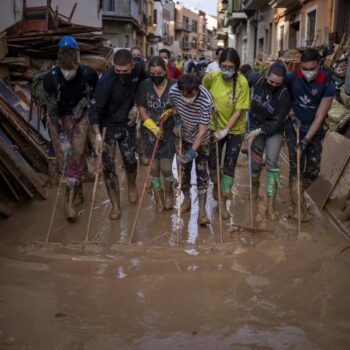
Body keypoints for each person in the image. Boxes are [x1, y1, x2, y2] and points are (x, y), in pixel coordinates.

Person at [43, 36, 98, 221]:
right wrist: (61, 136)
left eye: (72, 69)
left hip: (81, 116)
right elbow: (51, 110)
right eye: (64, 70)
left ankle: (68, 205)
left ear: (78, 61)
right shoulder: (50, 78)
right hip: (59, 118)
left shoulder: (89, 73)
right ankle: (78, 192)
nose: (68, 74)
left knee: (75, 156)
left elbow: (95, 98)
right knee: (65, 160)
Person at [89, 49, 147, 220]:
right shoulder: (105, 81)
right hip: (107, 124)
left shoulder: (138, 70)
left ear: (132, 65)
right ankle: (115, 205)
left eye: (125, 71)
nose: (121, 74)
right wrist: (97, 135)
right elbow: (94, 110)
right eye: (117, 71)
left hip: (126, 122)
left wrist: (137, 106)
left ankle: (131, 184)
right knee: (108, 168)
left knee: (130, 160)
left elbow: (144, 87)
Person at [284, 48, 335, 221]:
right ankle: (298, 208)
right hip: (294, 128)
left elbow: (320, 116)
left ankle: (297, 192)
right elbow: (285, 99)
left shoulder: (327, 82)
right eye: (304, 68)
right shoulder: (292, 77)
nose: (307, 73)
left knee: (313, 171)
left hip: (314, 130)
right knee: (295, 168)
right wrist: (291, 115)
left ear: (319, 66)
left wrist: (306, 140)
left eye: (311, 69)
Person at [202, 47, 250, 220]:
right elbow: (202, 93)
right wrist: (209, 103)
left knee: (229, 165)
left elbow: (238, 111)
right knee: (212, 164)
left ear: (236, 67)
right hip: (213, 126)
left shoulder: (242, 82)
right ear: (218, 64)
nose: (226, 70)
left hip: (234, 130)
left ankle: (222, 204)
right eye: (223, 65)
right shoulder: (212, 77)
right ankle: (216, 183)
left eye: (231, 67)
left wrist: (226, 130)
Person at [243, 61, 291, 220]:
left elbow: (279, 122)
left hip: (273, 131)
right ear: (266, 75)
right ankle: (254, 188)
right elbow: (244, 71)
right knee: (255, 166)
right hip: (255, 124)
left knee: (272, 166)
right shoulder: (256, 80)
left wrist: (261, 130)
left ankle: (270, 207)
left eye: (278, 83)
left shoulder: (284, 93)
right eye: (271, 82)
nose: (274, 85)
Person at [167, 74, 213, 226]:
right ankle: (186, 199)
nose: (188, 98)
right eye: (184, 95)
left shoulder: (206, 99)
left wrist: (192, 152)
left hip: (202, 140)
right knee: (183, 173)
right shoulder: (174, 91)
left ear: (197, 89)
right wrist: (176, 120)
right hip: (183, 137)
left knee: (202, 174)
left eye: (192, 94)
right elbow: (172, 106)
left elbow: (202, 132)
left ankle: (202, 211)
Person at [136, 56, 177, 212]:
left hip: (169, 131)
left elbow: (180, 105)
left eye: (159, 73)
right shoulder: (144, 86)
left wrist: (171, 111)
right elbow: (142, 110)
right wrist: (153, 128)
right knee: (153, 168)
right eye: (152, 73)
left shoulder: (174, 85)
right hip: (149, 132)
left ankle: (169, 194)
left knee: (166, 168)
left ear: (165, 71)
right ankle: (158, 196)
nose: (155, 76)